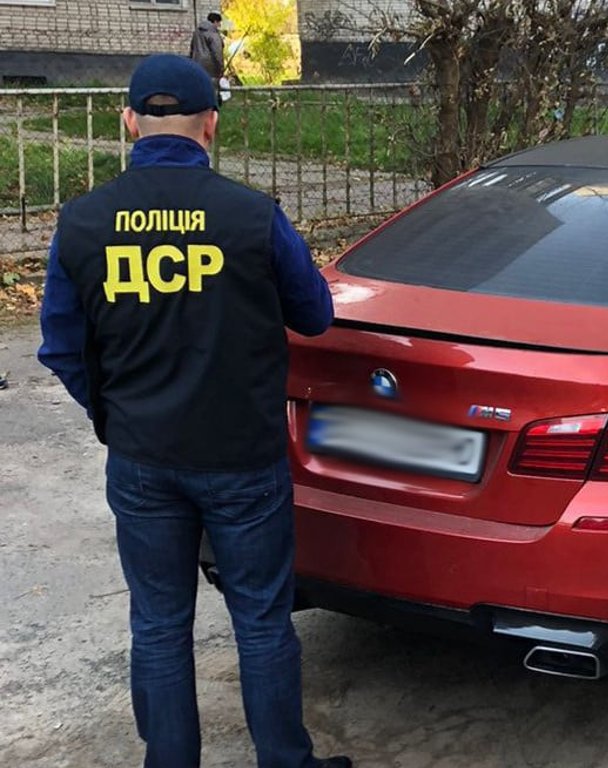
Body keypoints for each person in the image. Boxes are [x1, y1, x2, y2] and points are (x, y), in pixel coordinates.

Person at [36, 54, 350, 768]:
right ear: (210, 124)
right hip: (243, 456)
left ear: (128, 123)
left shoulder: (83, 222)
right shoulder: (251, 215)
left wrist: (115, 413)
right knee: (262, 620)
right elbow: (315, 315)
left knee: (158, 625)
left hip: (142, 457)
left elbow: (59, 347)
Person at [190, 11, 226, 81]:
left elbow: (192, 49)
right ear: (215, 21)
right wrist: (221, 68)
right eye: (219, 23)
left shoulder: (197, 32)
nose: (219, 25)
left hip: (196, 65)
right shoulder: (213, 33)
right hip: (210, 68)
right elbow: (217, 52)